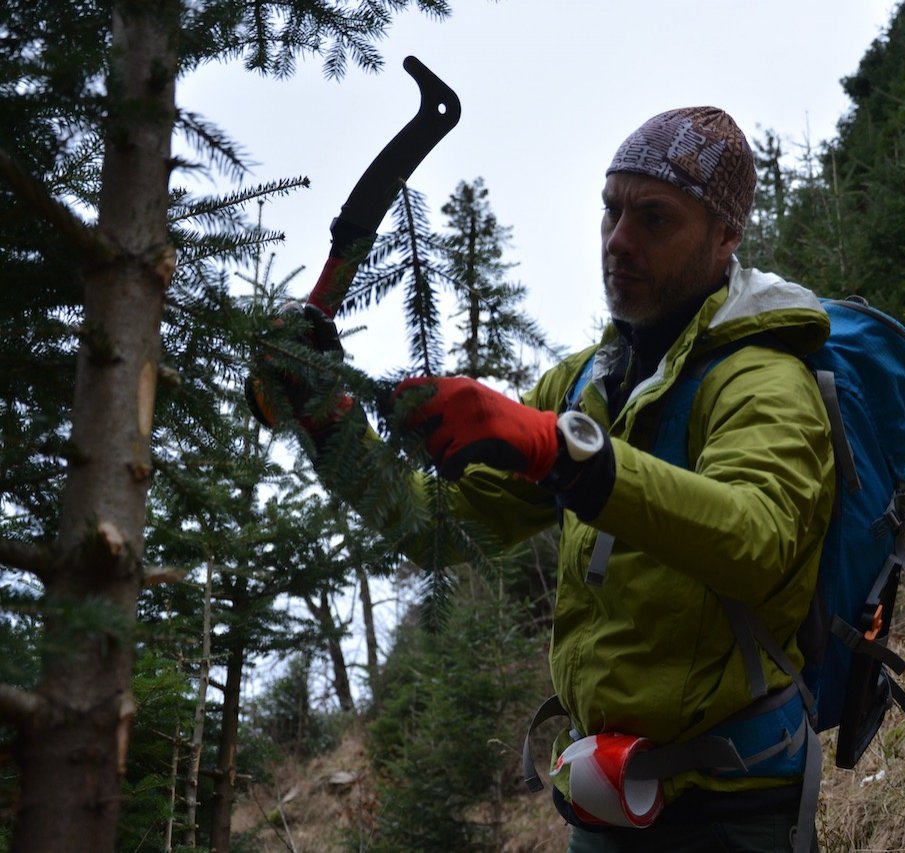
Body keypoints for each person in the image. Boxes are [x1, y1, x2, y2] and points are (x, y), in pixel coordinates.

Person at [253, 106, 835, 852]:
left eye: (655, 218)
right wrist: (333, 428)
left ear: (725, 236)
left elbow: (761, 538)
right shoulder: (591, 381)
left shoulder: (764, 378)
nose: (619, 241)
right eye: (611, 210)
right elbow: (439, 527)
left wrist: (567, 457)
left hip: (732, 805)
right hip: (606, 799)